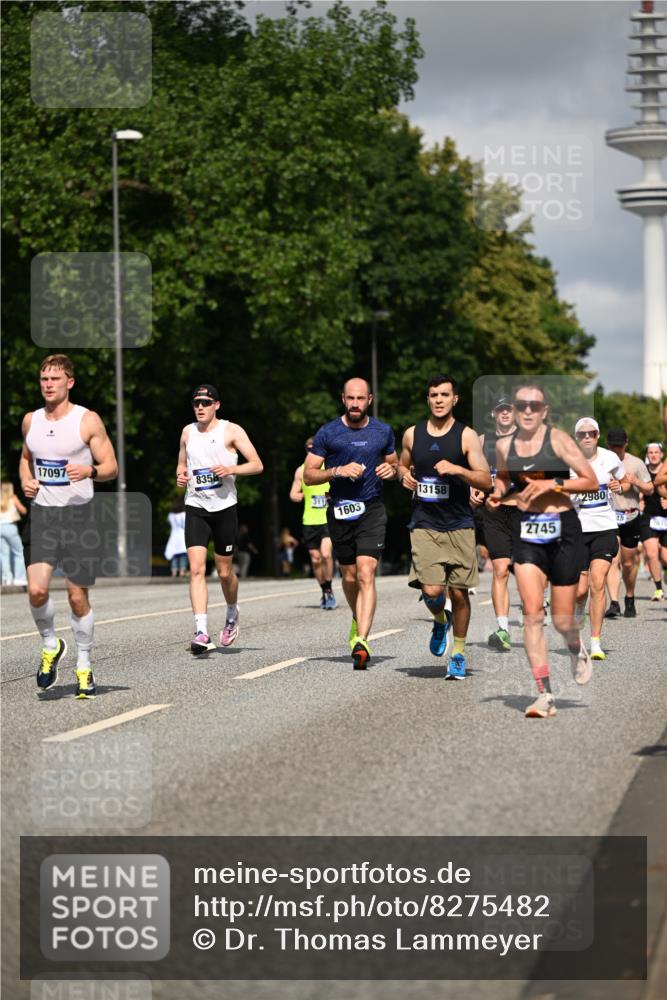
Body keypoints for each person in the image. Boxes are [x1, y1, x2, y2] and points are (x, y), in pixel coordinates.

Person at [489, 381, 598, 719]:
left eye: (534, 406)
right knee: (533, 614)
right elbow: (505, 479)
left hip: (562, 528)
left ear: (545, 411)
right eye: (521, 405)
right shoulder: (505, 446)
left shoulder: (559, 440)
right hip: (527, 531)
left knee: (563, 620)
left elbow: (590, 480)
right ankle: (544, 694)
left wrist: (553, 483)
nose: (526, 411)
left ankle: (575, 648)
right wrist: (496, 492)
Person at [19, 354, 118, 698]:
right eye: (43, 379)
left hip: (79, 516)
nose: (48, 385)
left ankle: (84, 664)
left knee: (77, 596)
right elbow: (25, 458)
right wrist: (26, 482)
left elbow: (111, 468)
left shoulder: (87, 421)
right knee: (36, 590)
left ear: (69, 383)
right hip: (43, 515)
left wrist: (89, 471)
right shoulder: (30, 420)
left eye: (54, 379)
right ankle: (50, 645)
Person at [399, 375, 492, 678]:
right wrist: (404, 476)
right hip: (425, 524)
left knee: (460, 594)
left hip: (459, 523)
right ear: (427, 399)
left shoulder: (466, 436)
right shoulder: (412, 434)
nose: (438, 399)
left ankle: (459, 653)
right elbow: (403, 463)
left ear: (455, 399)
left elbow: (485, 480)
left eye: (444, 395)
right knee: (432, 592)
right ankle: (440, 620)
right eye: (433, 395)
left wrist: (457, 470)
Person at [303, 377, 398, 670]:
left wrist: (390, 470)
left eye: (361, 399)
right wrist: (337, 471)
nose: (355, 404)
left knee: (367, 572)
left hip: (371, 509)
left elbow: (396, 464)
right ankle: (358, 617)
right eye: (350, 399)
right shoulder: (328, 433)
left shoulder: (383, 431)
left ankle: (362, 640)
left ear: (369, 399)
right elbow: (308, 474)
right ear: (343, 399)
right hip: (340, 510)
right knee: (348, 575)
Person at [176, 383, 263, 654]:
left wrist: (231, 469)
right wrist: (180, 475)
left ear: (217, 405)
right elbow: (181, 463)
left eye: (205, 402)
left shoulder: (231, 430)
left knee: (225, 572)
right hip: (196, 507)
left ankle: (231, 612)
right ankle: (201, 631)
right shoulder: (187, 432)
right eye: (196, 403)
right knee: (197, 569)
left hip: (224, 508)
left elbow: (257, 464)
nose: (200, 407)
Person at [570, 418, 626, 660]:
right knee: (581, 591)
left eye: (591, 433)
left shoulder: (610, 458)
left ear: (598, 434)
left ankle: (595, 643)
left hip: (605, 526)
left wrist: (619, 486)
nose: (587, 437)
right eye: (582, 434)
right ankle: (578, 612)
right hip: (579, 528)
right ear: (576, 437)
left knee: (597, 583)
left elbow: (624, 481)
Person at [472, 395, 517, 651]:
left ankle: (539, 604)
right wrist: (473, 487)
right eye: (500, 410)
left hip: (522, 511)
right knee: (500, 569)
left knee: (525, 571)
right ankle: (503, 629)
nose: (504, 414)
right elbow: (474, 471)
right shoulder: (482, 441)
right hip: (494, 512)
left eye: (509, 410)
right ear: (494, 414)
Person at [604, 427, 654, 619]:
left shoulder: (636, 463)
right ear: (607, 444)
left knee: (628, 562)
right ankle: (614, 602)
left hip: (630, 516)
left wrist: (636, 482)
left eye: (619, 446)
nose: (616, 449)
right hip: (609, 516)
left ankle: (630, 597)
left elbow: (649, 489)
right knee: (612, 560)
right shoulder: (602, 461)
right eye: (613, 446)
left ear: (626, 444)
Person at [289, 437, 336, 609]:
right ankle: (324, 589)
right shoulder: (301, 471)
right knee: (315, 560)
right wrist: (296, 496)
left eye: (314, 449)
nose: (311, 452)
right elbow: (293, 492)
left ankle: (330, 589)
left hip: (327, 519)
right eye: (308, 449)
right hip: (309, 520)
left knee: (325, 554)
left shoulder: (328, 468)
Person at [640, 442, 667, 600]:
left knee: (665, 557)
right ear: (647, 455)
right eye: (650, 452)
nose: (654, 455)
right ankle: (658, 589)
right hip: (649, 517)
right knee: (651, 553)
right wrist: (639, 501)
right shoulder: (643, 472)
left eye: (656, 452)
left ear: (661, 454)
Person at [0, 482, 28, 587]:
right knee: (19, 552)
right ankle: (19, 578)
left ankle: (6, 579)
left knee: (3, 554)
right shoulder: (12, 498)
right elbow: (23, 510)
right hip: (10, 526)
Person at [165, 496, 187, 577]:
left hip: (173, 536)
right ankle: (182, 571)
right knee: (183, 555)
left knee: (174, 554)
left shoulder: (170, 515)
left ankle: (174, 571)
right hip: (182, 536)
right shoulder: (183, 514)